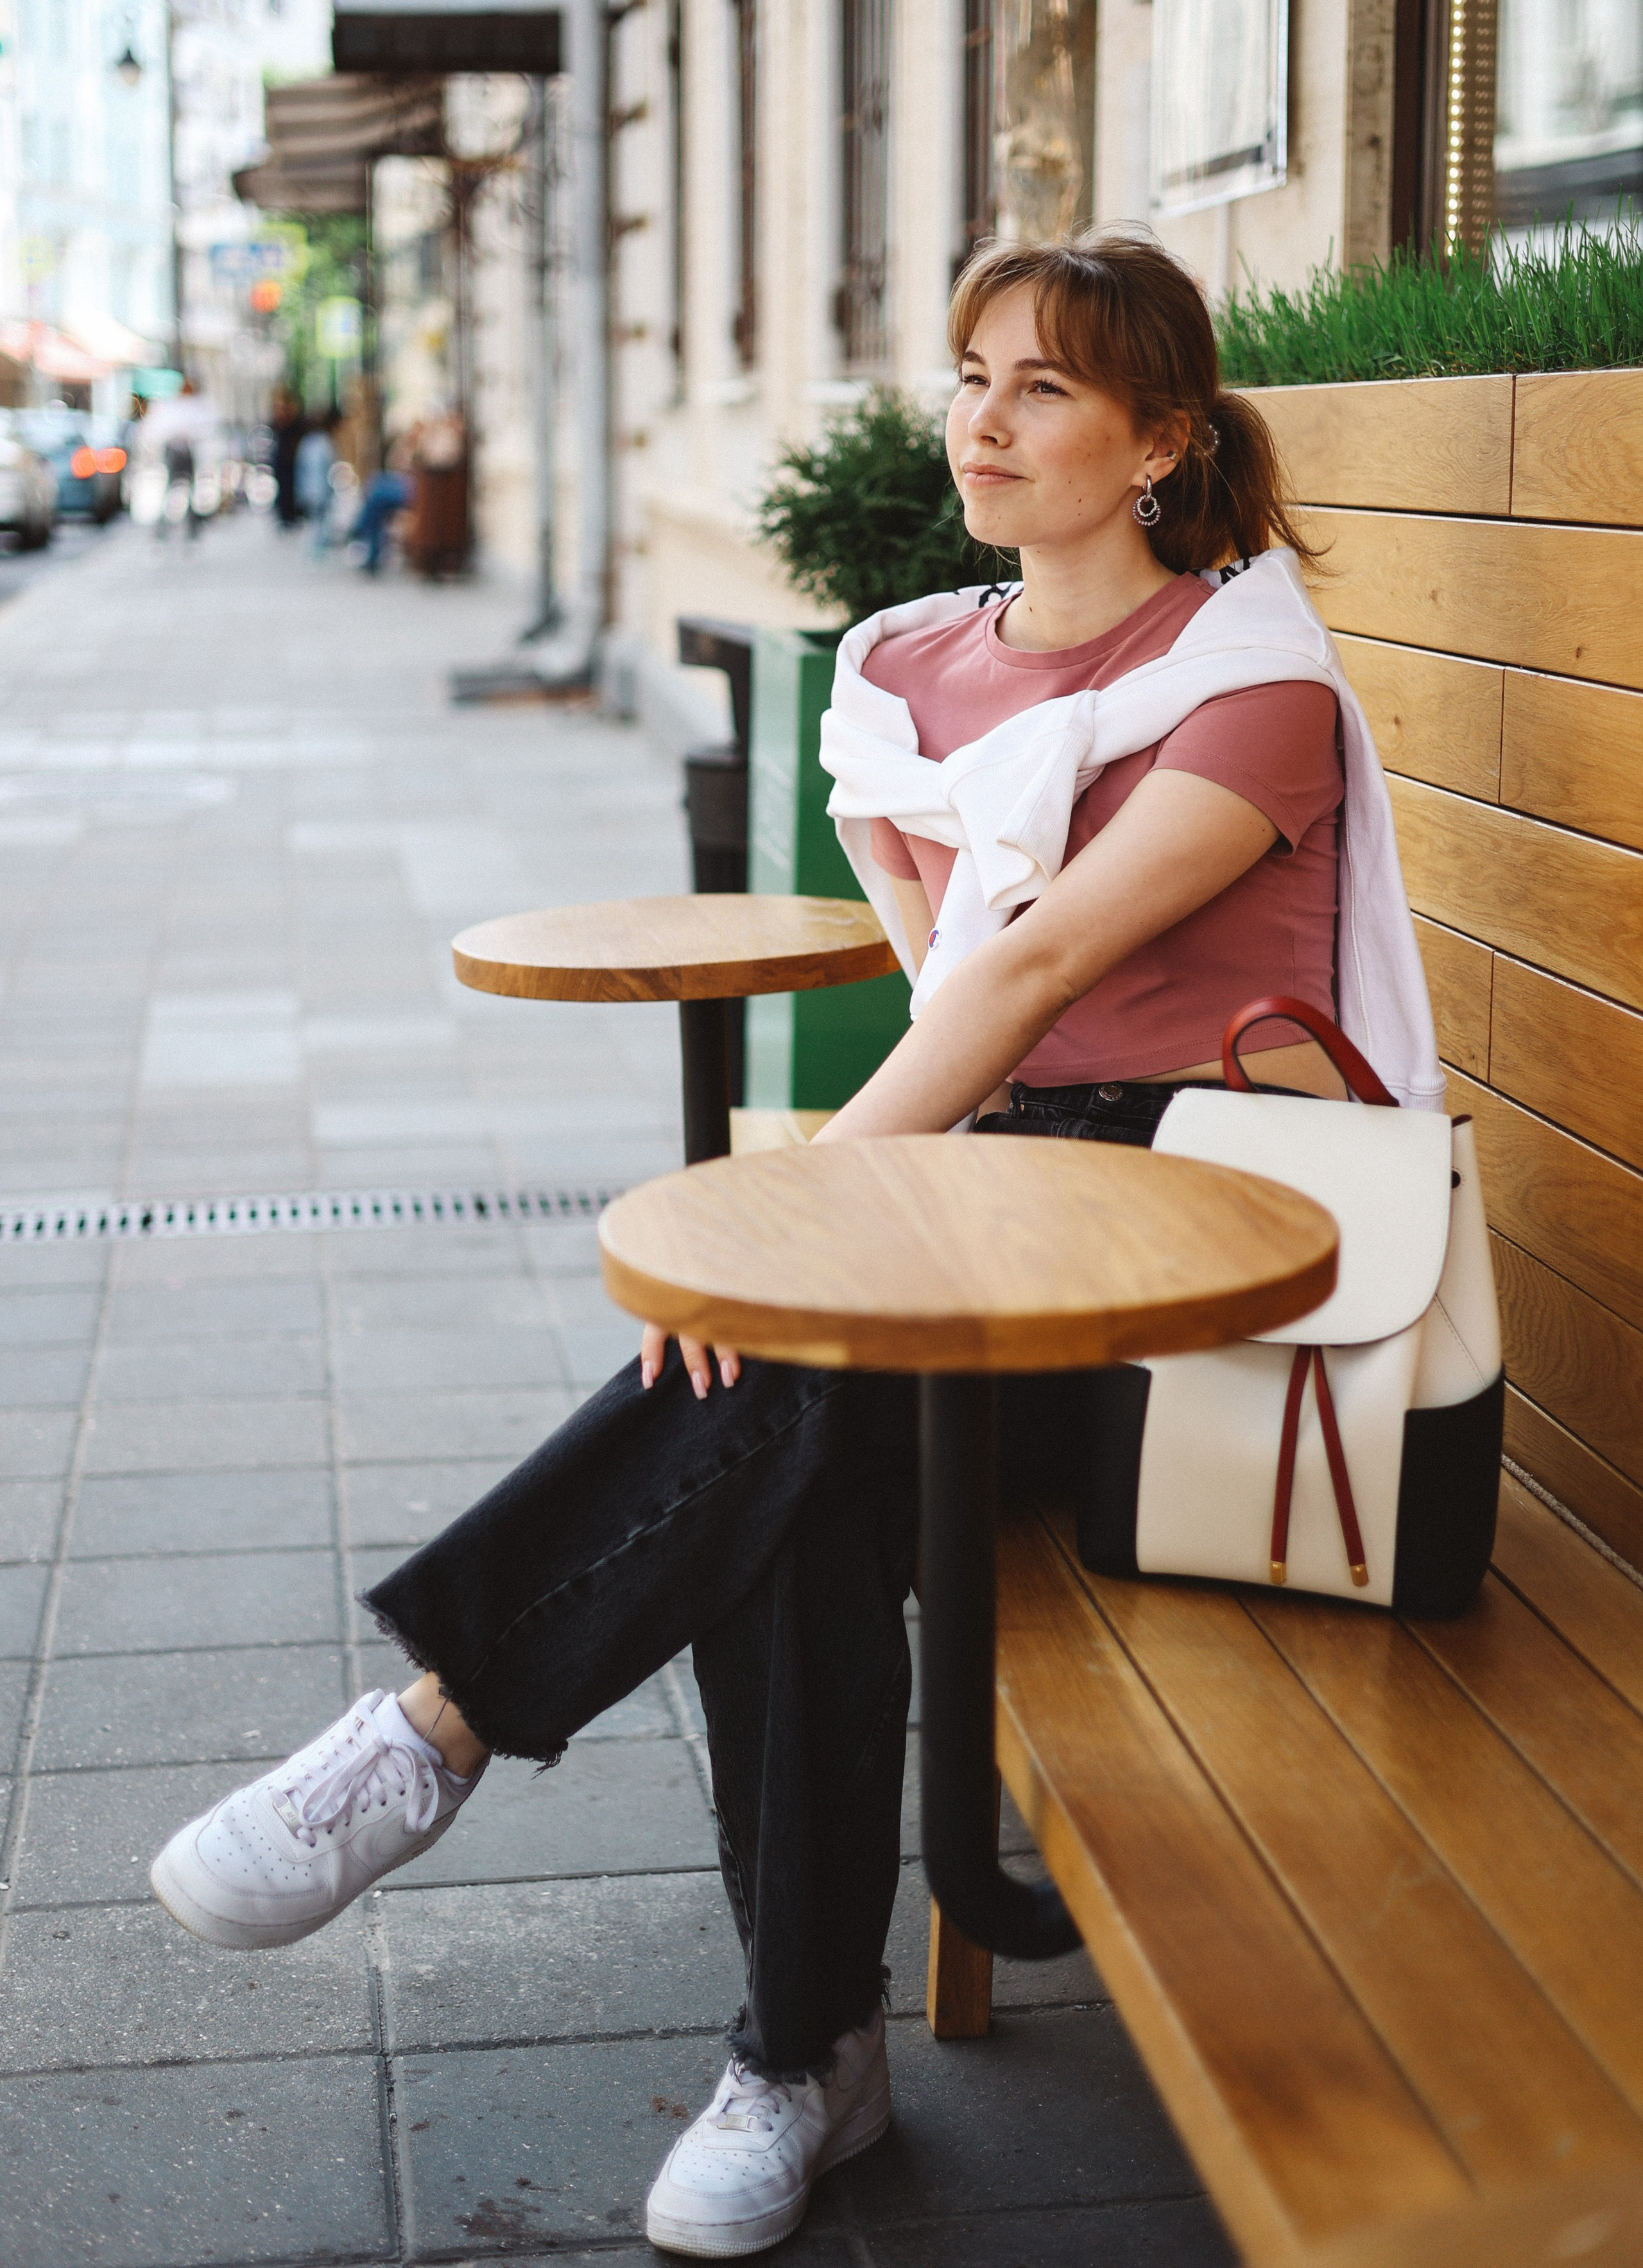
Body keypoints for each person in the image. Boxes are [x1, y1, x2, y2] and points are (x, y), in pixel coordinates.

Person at [147, 230, 1440, 2260]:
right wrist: (841, 1225)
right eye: (967, 373)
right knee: (799, 1457)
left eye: (1041, 387)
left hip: (1203, 1269)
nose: (980, 420)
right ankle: (795, 2055)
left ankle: (457, 1739)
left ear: (1161, 440)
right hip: (997, 1187)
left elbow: (1032, 977)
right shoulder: (911, 664)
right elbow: (948, 996)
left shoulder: (1247, 682)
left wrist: (796, 1213)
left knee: (779, 1385)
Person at [295, 407, 342, 552]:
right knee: (320, 521)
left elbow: (301, 469)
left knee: (315, 520)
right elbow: (330, 467)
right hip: (320, 489)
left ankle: (316, 548)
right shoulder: (324, 443)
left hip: (310, 489)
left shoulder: (307, 442)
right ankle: (317, 549)